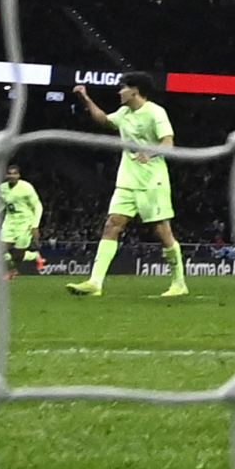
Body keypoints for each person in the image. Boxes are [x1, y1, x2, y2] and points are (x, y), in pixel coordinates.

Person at [65, 72, 187, 299]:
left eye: (123, 88)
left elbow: (168, 143)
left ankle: (179, 282)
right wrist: (85, 98)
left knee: (163, 232)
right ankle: (95, 282)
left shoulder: (155, 112)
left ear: (135, 90)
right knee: (112, 225)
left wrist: (150, 153)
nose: (119, 92)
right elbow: (103, 120)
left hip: (152, 182)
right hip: (127, 181)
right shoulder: (124, 113)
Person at [0, 163, 44, 279]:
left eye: (14, 174)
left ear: (19, 175)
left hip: (25, 223)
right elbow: (2, 204)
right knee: (0, 250)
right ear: (6, 175)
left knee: (18, 254)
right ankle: (12, 270)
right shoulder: (2, 188)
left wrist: (35, 225)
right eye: (10, 174)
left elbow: (38, 206)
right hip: (10, 222)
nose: (12, 176)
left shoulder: (26, 187)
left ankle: (33, 256)